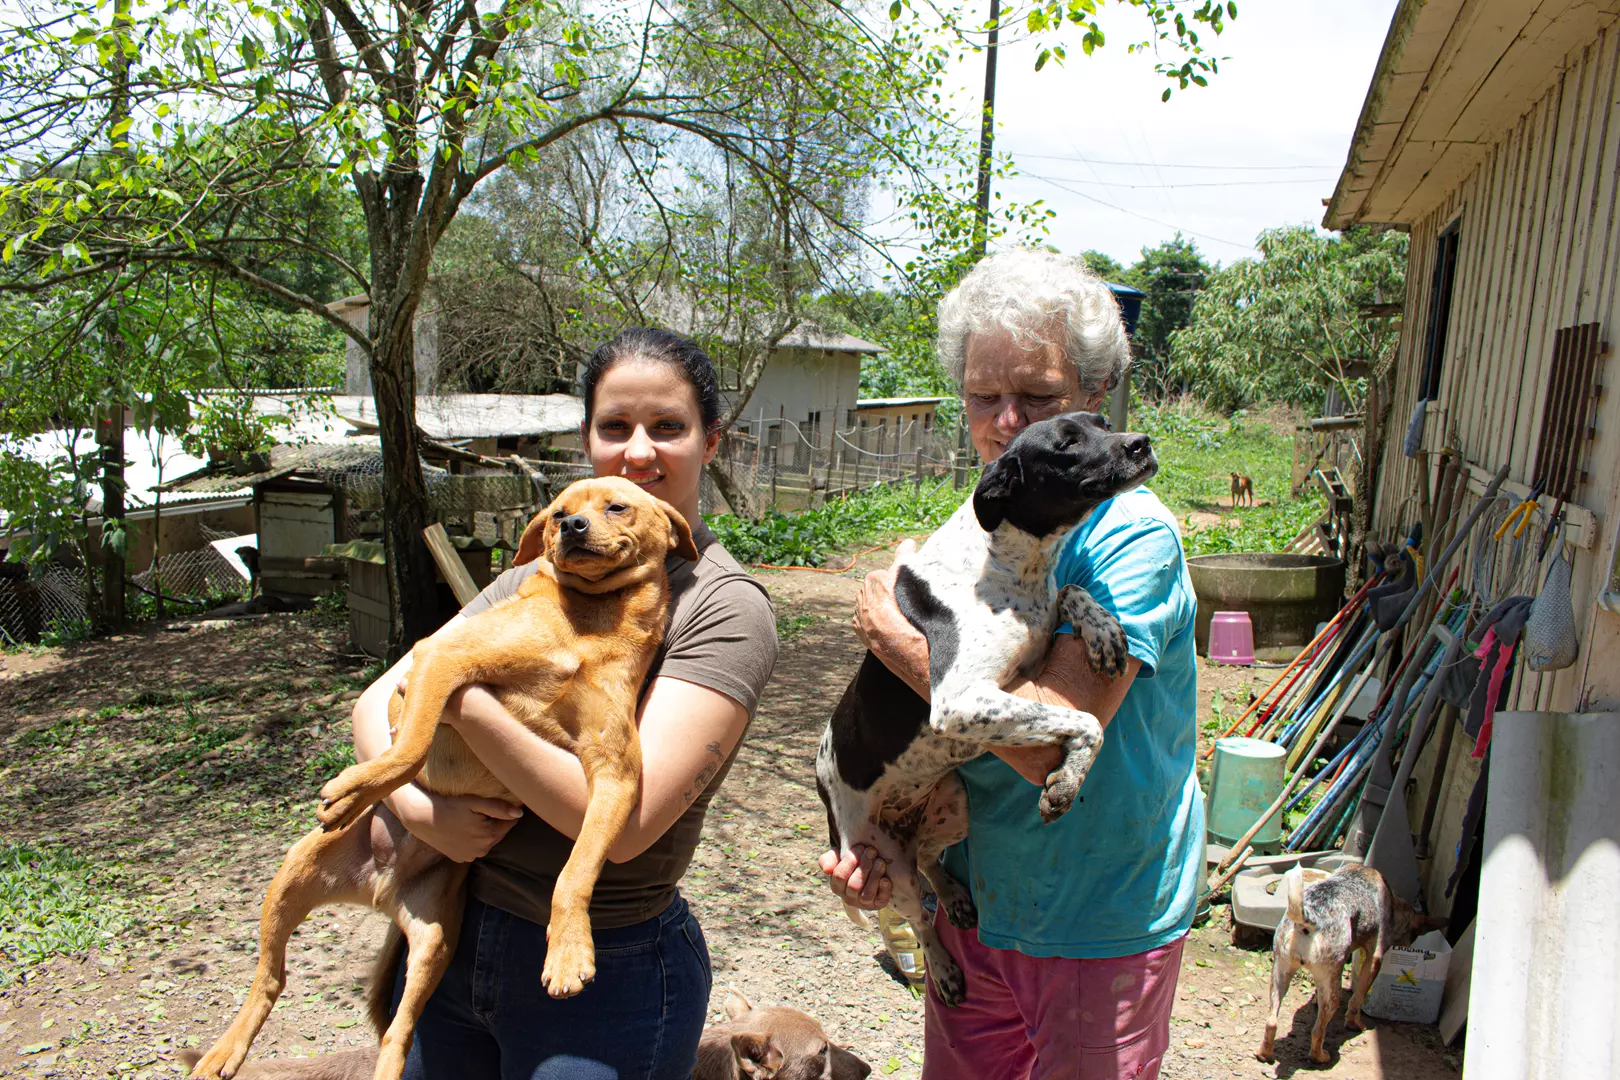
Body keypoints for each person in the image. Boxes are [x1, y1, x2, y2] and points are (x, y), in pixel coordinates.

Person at [349, 328, 779, 1079]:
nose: (637, 452)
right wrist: (421, 813)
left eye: (668, 428)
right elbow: (376, 699)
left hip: (606, 964)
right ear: (588, 437)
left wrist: (461, 703)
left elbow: (626, 827)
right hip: (462, 930)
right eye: (615, 427)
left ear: (711, 442)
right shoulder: (550, 567)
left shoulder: (721, 605)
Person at [818, 249, 1202, 1079]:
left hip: (1096, 914)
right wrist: (884, 848)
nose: (1005, 423)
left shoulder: (1132, 537)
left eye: (1037, 397)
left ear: (1095, 399)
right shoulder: (999, 515)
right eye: (984, 396)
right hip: (978, 895)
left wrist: (895, 640)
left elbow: (1040, 750)